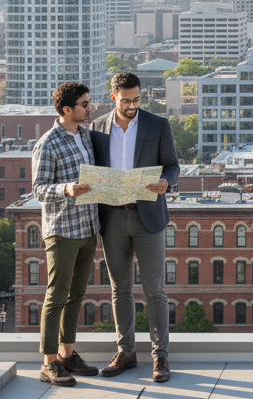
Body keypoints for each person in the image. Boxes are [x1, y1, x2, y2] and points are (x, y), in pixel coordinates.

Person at [91, 71, 179, 383]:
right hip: (112, 217)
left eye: (137, 100)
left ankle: (160, 357)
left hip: (148, 215)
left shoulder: (157, 125)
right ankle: (126, 352)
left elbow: (172, 164)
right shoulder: (96, 128)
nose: (132, 106)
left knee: (155, 289)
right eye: (126, 100)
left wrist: (167, 182)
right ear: (113, 97)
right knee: (120, 288)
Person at [30, 82, 102, 386]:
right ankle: (48, 363)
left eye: (89, 102)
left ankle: (67, 355)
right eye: (84, 104)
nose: (90, 108)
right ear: (67, 109)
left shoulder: (86, 135)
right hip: (62, 230)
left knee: (76, 295)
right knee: (56, 296)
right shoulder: (47, 143)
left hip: (88, 227)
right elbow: (38, 189)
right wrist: (65, 189)